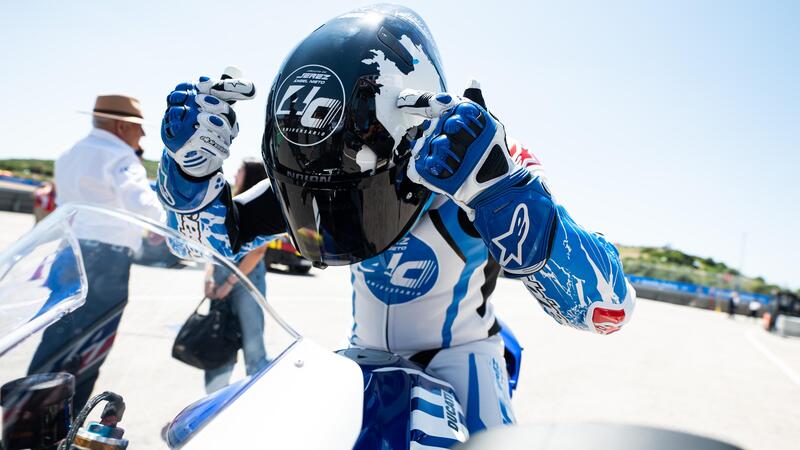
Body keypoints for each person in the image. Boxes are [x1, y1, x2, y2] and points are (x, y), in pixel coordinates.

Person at [155, 5, 635, 436]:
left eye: (351, 187)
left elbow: (606, 309)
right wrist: (190, 177)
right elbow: (194, 247)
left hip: (465, 373)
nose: (332, 205)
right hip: (357, 367)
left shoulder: (487, 159)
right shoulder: (314, 177)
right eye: (314, 188)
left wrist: (502, 195)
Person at [28, 94, 164, 410]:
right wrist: (161, 228)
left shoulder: (69, 155)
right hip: (106, 261)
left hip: (68, 253)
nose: (142, 136)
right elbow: (142, 204)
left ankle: (28, 416)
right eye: (139, 128)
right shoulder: (120, 156)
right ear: (121, 126)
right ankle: (64, 425)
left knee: (55, 340)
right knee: (90, 347)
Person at [202, 159, 269, 393]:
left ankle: (259, 395)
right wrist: (209, 276)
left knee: (253, 344)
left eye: (240, 170)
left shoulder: (259, 209)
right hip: (221, 278)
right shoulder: (226, 202)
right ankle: (213, 400)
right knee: (216, 341)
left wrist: (229, 283)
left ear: (250, 175)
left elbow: (258, 252)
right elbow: (212, 245)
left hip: (247, 280)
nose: (235, 173)